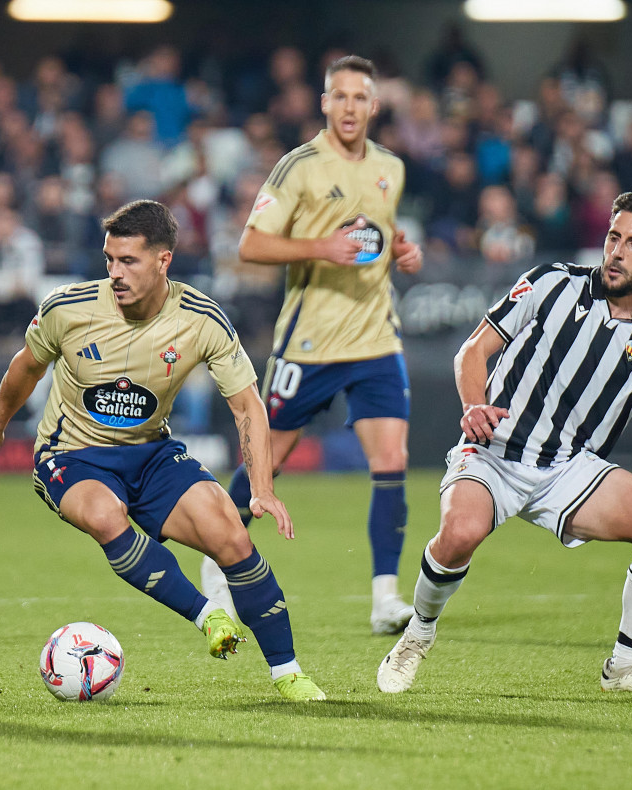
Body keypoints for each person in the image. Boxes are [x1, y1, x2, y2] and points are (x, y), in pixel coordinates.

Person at [0, 199, 325, 701]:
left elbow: (248, 406)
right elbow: (25, 367)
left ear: (164, 261)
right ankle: (208, 616)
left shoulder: (201, 319)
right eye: (110, 260)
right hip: (71, 455)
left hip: (152, 453)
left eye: (129, 261)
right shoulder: (67, 309)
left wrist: (262, 489)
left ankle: (288, 672)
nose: (115, 273)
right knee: (104, 512)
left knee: (230, 534)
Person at [377, 191, 632, 694]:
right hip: (495, 451)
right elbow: (472, 351)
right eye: (613, 237)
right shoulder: (551, 283)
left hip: (567, 468)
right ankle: (417, 634)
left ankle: (624, 667)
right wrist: (474, 405)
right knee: (460, 532)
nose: (618, 252)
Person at [199, 55, 424, 635]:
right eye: (339, 97)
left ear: (375, 107)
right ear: (324, 104)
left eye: (360, 98)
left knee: (392, 461)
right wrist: (321, 248)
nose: (349, 107)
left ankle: (384, 598)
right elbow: (250, 245)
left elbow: (380, 227)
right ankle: (217, 557)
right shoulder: (297, 167)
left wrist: (401, 248)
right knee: (268, 459)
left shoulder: (390, 169)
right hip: (309, 342)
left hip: (376, 337)